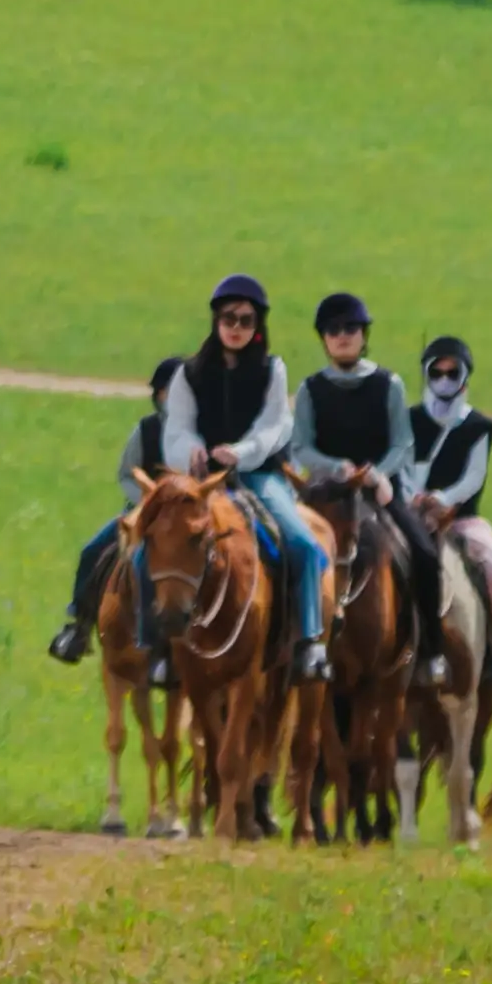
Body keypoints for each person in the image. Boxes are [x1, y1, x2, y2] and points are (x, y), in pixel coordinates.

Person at [54, 273, 327, 681]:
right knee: (135, 545)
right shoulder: (189, 374)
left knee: (303, 544)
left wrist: (239, 453)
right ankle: (135, 642)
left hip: (256, 475)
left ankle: (308, 643)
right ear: (216, 321)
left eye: (246, 320)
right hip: (196, 481)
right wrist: (192, 451)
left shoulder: (273, 370)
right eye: (229, 318)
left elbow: (275, 426)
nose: (236, 327)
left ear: (258, 328)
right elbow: (177, 429)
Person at [290, 292, 433, 685]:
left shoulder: (389, 384)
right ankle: (294, 648)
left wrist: (375, 472)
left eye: (350, 329)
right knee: (290, 553)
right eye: (333, 330)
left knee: (423, 552)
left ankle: (428, 652)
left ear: (363, 335)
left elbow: (403, 443)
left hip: (377, 491)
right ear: (324, 339)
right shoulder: (310, 389)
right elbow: (300, 446)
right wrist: (335, 468)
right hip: (327, 493)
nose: (342, 336)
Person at [402, 333, 492, 675]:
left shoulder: (478, 426)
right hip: (413, 512)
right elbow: (402, 463)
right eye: (436, 373)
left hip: (461, 519)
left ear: (464, 377)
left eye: (452, 373)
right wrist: (415, 496)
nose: (443, 380)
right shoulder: (408, 419)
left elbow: (474, 477)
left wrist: (441, 498)